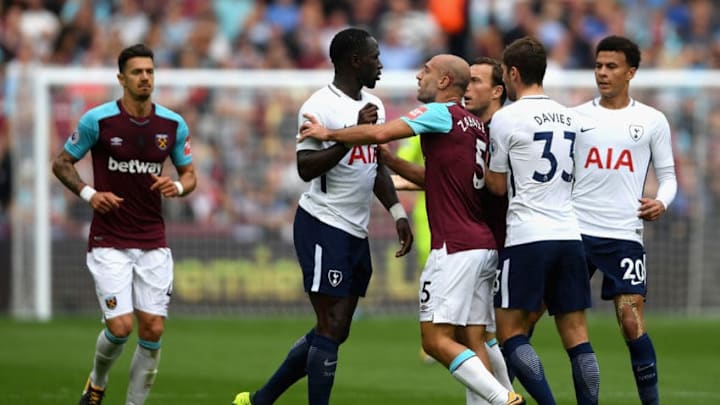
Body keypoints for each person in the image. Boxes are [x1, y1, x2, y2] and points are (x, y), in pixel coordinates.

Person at [300, 53, 524, 405]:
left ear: (445, 81)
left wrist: (328, 133)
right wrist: (389, 161)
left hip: (455, 248)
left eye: (427, 71)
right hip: (483, 247)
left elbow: (379, 131)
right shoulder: (475, 125)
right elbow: (441, 179)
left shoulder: (440, 113)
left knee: (435, 341)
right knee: (475, 337)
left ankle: (502, 398)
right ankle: (504, 394)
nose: (419, 76)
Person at [231, 27, 413, 405]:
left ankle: (262, 399)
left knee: (335, 330)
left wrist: (396, 212)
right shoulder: (317, 106)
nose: (381, 64)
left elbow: (376, 165)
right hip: (322, 223)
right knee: (331, 326)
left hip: (355, 230)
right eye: (375, 57)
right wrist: (349, 134)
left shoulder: (375, 105)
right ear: (354, 61)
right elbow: (306, 168)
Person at [52, 43, 197, 405]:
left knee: (153, 328)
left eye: (149, 71)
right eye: (137, 72)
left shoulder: (172, 124)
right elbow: (61, 164)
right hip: (109, 238)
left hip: (153, 239)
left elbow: (190, 174)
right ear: (121, 78)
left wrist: (177, 187)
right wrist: (89, 194)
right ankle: (97, 383)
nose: (145, 77)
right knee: (120, 328)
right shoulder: (97, 121)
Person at [485, 36, 600, 405]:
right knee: (577, 335)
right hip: (569, 234)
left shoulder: (505, 118)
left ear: (513, 73)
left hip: (527, 238)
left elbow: (498, 187)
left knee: (510, 332)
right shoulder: (572, 117)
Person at [572, 35, 676, 405]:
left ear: (631, 72)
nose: (602, 73)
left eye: (611, 66)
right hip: (575, 233)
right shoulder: (576, 117)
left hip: (623, 235)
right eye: (598, 65)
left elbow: (669, 177)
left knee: (631, 323)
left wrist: (662, 202)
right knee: (547, 319)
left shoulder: (651, 120)